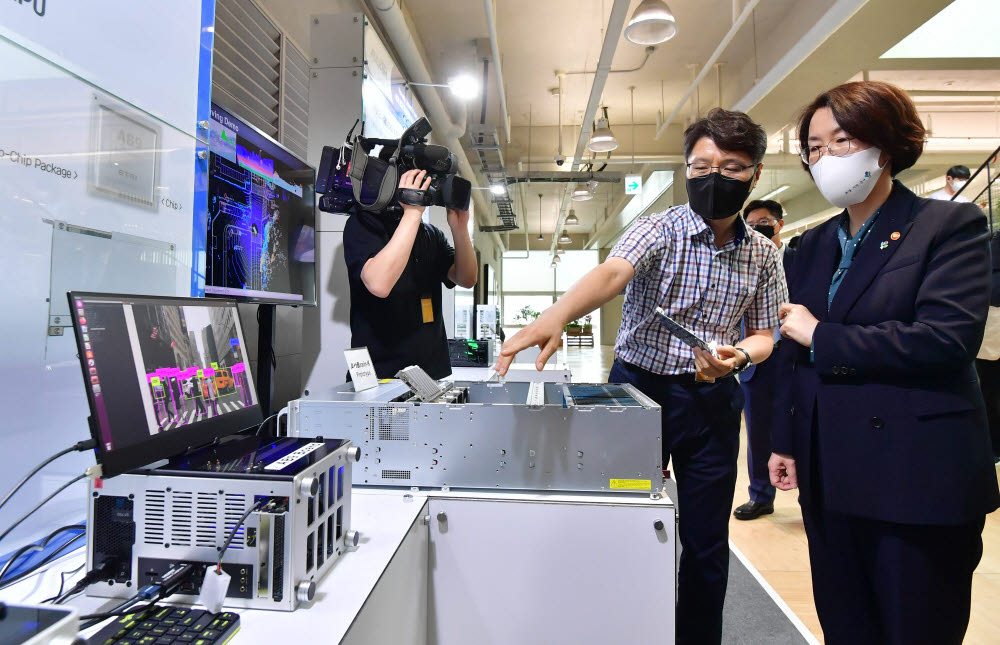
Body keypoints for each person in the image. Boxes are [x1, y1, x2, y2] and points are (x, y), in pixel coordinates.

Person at [496, 108, 787, 645]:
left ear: (755, 173)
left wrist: (739, 357)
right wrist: (553, 317)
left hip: (710, 402)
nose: (713, 177)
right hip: (635, 395)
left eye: (730, 166)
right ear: (686, 167)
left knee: (704, 542)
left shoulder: (764, 255)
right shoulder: (660, 228)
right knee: (621, 523)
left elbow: (765, 335)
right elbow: (613, 272)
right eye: (701, 165)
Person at [769, 80, 1000, 645]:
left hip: (916, 475)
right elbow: (792, 351)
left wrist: (826, 336)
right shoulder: (812, 245)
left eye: (842, 140)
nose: (827, 158)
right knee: (846, 625)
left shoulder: (949, 226)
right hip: (832, 471)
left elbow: (945, 339)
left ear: (886, 145)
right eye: (815, 148)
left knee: (915, 626)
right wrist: (784, 439)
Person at [344, 169, 477, 379]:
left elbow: (467, 279)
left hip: (430, 375)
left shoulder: (431, 235)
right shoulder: (364, 223)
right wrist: (413, 213)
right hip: (380, 376)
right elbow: (379, 284)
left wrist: (460, 228)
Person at [733, 199, 795, 520]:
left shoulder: (798, 257)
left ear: (779, 223)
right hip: (758, 355)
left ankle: (811, 496)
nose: (759, 228)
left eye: (765, 221)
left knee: (804, 424)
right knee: (757, 429)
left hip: (796, 354)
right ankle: (760, 495)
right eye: (752, 223)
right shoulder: (746, 260)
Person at [975, 229, 1000, 462]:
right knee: (991, 391)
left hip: (991, 333)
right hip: (992, 330)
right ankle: (993, 444)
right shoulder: (993, 244)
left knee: (991, 391)